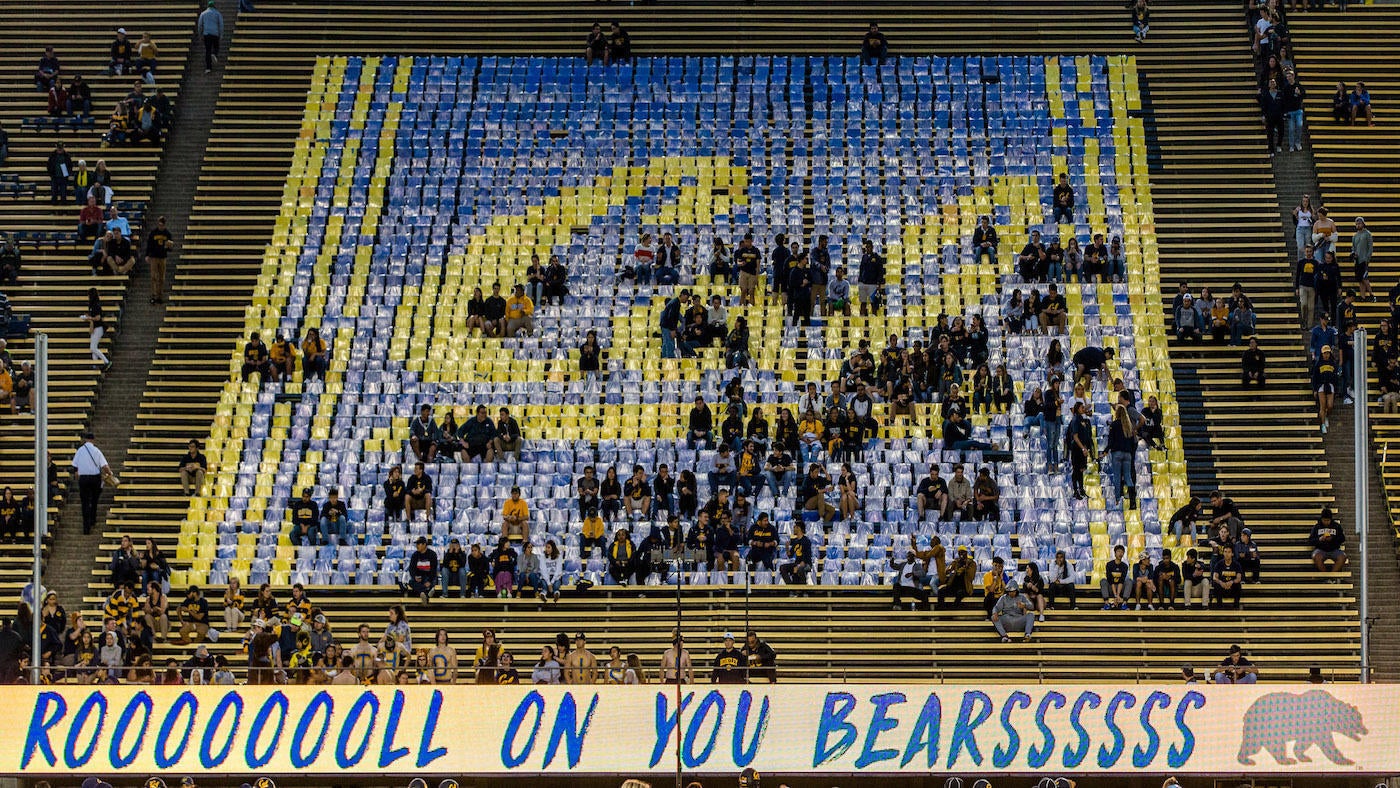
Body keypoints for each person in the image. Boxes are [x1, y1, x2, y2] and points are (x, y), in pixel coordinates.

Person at [71, 432, 112, 535]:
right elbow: (104, 465)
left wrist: (78, 475)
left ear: (85, 439)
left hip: (83, 478)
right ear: (93, 440)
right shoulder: (96, 451)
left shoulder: (80, 451)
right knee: (94, 500)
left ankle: (86, 527)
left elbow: (75, 465)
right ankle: (92, 519)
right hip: (95, 478)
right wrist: (110, 473)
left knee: (85, 502)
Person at [1310, 507, 1348, 573]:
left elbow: (1342, 538)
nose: (1326, 522)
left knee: (1342, 557)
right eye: (1324, 520)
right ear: (1321, 519)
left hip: (1334, 549)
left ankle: (1331, 577)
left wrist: (1332, 539)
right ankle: (1326, 577)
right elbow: (1311, 540)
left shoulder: (1336, 526)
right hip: (1320, 549)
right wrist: (1320, 539)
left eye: (1328, 520)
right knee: (1317, 557)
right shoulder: (1317, 527)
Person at [779, 522, 812, 587]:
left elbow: (806, 557)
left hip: (806, 564)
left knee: (800, 569)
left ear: (798, 528)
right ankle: (791, 588)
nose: (793, 529)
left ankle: (803, 589)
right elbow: (790, 555)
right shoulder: (795, 541)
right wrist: (787, 548)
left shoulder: (806, 541)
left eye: (794, 527)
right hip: (797, 563)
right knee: (782, 568)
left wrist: (798, 566)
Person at [1351, 216, 1373, 302]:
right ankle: (1362, 296)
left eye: (1359, 223)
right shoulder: (1355, 236)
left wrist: (1368, 258)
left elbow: (1370, 247)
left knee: (1364, 278)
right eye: (1357, 224)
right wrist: (1353, 253)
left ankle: (1371, 294)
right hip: (1357, 260)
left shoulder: (1367, 234)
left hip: (1364, 259)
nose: (1358, 225)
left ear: (1363, 223)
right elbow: (1353, 247)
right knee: (1360, 279)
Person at [198, 1, 224, 73]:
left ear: (208, 6)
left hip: (206, 34)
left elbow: (200, 25)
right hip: (215, 34)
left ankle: (208, 68)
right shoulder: (218, 13)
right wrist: (221, 35)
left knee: (207, 50)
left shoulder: (203, 14)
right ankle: (214, 54)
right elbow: (221, 25)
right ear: (214, 6)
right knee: (216, 47)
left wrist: (200, 34)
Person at [1101, 544, 1129, 610]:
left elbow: (1121, 581)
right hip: (1111, 587)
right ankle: (1107, 604)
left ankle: (1124, 603)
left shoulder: (1125, 566)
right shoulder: (1109, 564)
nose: (1120, 553)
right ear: (1115, 553)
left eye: (1122, 552)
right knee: (1103, 581)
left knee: (1129, 581)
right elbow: (1110, 581)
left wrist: (1118, 595)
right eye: (1118, 551)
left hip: (1120, 588)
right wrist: (1115, 595)